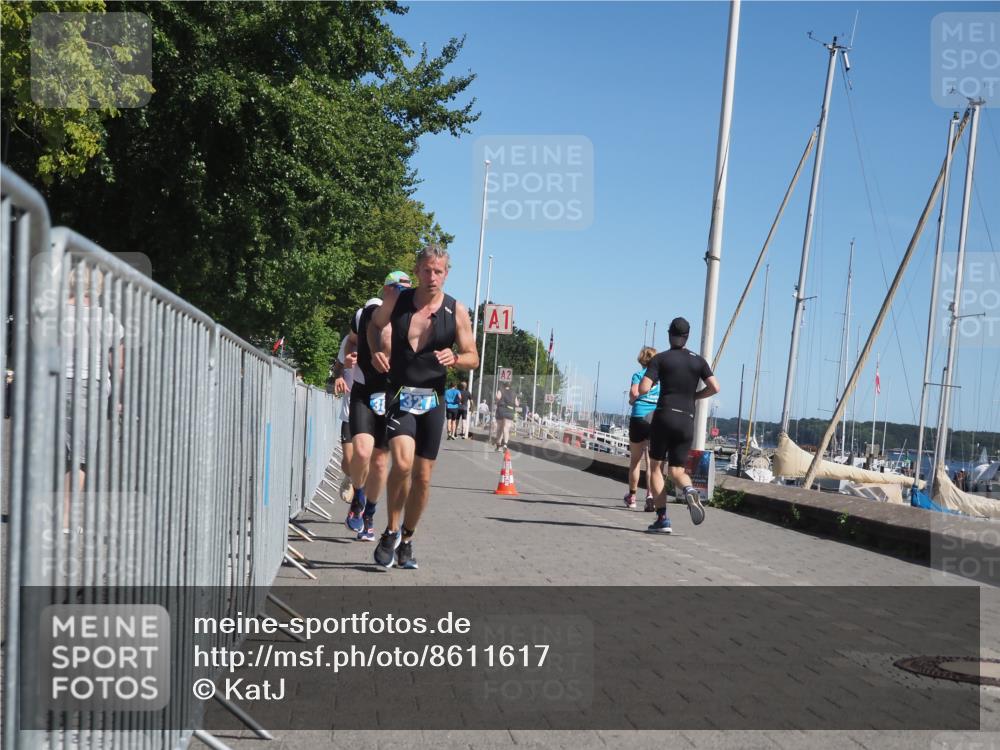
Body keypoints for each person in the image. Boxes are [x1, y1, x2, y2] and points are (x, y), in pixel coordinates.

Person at [367, 245, 478, 569]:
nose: (432, 277)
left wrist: (456, 358)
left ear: (447, 273)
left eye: (439, 271)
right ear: (417, 271)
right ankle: (390, 531)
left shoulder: (456, 310)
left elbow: (473, 356)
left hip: (433, 399)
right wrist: (375, 351)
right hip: (400, 393)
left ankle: (408, 538)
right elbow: (375, 326)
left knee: (424, 477)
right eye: (427, 270)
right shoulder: (398, 300)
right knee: (401, 465)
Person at [343, 271, 412, 541]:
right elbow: (350, 339)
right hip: (363, 390)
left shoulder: (410, 321)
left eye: (408, 288)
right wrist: (346, 360)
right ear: (387, 289)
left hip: (391, 395)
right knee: (361, 451)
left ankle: (369, 513)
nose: (404, 292)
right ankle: (358, 496)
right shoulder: (366, 314)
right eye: (398, 288)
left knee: (381, 463)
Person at [637, 317, 720, 533]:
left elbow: (644, 389)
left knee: (655, 467)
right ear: (687, 337)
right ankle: (689, 489)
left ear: (669, 335)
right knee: (677, 471)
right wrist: (695, 396)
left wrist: (648, 382)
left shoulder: (661, 359)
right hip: (686, 420)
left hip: (664, 416)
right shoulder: (698, 361)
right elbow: (715, 387)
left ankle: (662, 519)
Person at [624, 346, 660, 511]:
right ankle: (650, 496)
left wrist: (633, 401)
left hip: (639, 417)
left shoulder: (638, 375)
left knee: (635, 461)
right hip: (656, 418)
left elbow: (633, 394)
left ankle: (632, 497)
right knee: (652, 464)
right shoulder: (662, 378)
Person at [331, 336, 358, 503]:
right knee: (349, 460)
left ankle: (359, 502)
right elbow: (338, 366)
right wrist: (339, 377)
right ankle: (349, 476)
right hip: (350, 411)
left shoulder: (389, 338)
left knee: (366, 459)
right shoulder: (350, 341)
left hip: (374, 411)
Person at [493, 384, 518, 451]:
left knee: (500, 428)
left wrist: (495, 400)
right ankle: (505, 444)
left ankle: (498, 445)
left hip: (501, 410)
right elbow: (516, 404)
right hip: (510, 411)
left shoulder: (501, 390)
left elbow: (498, 398)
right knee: (506, 428)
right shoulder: (514, 393)